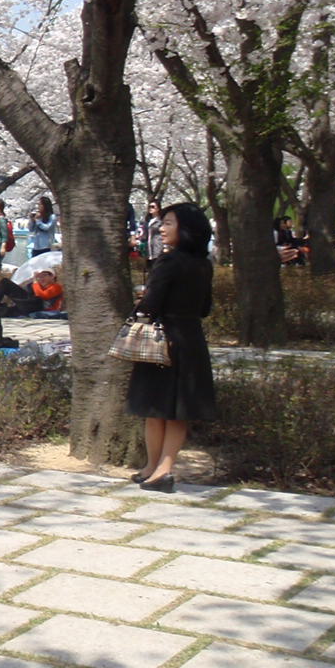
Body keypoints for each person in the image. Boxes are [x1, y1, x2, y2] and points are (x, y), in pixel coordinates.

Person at [128, 203, 217, 493]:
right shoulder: (204, 264)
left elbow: (151, 304)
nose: (161, 229)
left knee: (154, 406)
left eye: (168, 223)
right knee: (178, 410)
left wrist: (141, 302)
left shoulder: (168, 261)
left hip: (162, 340)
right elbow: (204, 308)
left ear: (185, 228)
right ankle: (158, 469)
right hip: (191, 339)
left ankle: (157, 469)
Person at [141, 199, 164, 268]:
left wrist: (165, 247)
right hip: (148, 248)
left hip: (158, 248)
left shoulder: (161, 220)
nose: (150, 208)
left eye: (153, 207)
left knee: (157, 267)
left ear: (158, 208)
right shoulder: (147, 221)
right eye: (149, 206)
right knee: (149, 268)